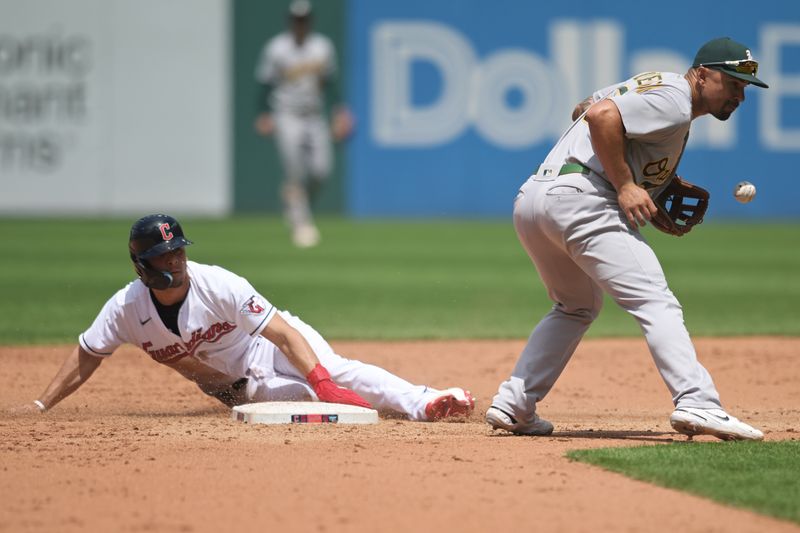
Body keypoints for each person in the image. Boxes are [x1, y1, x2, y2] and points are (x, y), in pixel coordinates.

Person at [486, 37, 768, 441]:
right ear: (703, 74)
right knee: (655, 300)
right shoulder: (675, 100)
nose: (740, 95)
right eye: (733, 83)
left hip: (535, 198)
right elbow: (600, 116)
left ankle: (514, 405)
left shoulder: (657, 86)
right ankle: (698, 401)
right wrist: (624, 185)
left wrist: (648, 183)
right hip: (582, 199)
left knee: (575, 305)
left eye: (744, 88)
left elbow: (582, 107)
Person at [29, 214, 474, 421]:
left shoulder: (219, 283)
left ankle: (425, 402)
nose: (178, 260)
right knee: (300, 400)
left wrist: (321, 378)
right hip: (240, 386)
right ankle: (336, 396)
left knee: (336, 373)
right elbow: (88, 353)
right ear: (142, 264)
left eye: (180, 250)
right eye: (167, 253)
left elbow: (281, 332)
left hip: (268, 342)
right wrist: (41, 405)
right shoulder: (126, 310)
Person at [254, 0, 353, 248]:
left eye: (304, 19)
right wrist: (263, 112)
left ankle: (295, 203)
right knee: (295, 171)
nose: (300, 24)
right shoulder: (277, 48)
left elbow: (330, 83)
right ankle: (301, 224)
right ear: (290, 21)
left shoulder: (322, 47)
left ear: (310, 21)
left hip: (314, 115)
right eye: (296, 20)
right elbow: (265, 83)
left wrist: (339, 112)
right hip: (286, 113)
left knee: (321, 171)